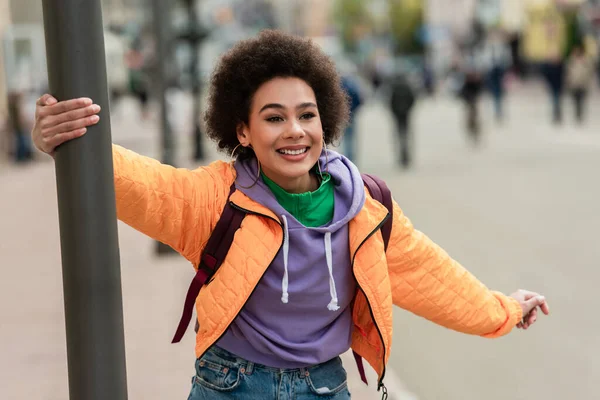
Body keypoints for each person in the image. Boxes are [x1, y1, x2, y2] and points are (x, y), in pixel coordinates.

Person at [31, 31, 549, 400]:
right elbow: (140, 183)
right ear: (242, 131)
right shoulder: (217, 200)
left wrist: (503, 310)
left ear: (325, 119)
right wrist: (63, 144)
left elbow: (434, 278)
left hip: (324, 387)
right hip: (229, 387)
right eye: (273, 118)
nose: (294, 131)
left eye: (306, 115)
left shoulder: (366, 209)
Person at [388, 73, 416, 168]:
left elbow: (390, 102)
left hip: (397, 116)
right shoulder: (408, 87)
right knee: (406, 136)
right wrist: (407, 109)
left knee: (399, 136)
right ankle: (406, 156)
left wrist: (395, 112)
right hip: (406, 115)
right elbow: (412, 99)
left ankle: (401, 156)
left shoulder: (394, 88)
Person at [565, 43, 595, 124]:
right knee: (575, 101)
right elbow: (568, 72)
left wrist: (588, 82)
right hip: (574, 84)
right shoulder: (571, 60)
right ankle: (577, 114)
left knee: (581, 101)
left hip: (583, 84)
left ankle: (580, 114)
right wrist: (568, 82)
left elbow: (590, 71)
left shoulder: (586, 60)